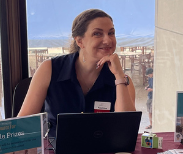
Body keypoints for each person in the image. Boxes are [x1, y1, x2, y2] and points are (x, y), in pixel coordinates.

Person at [18, 9, 136, 141]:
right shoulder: (49, 68)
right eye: (97, 34)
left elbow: (126, 132)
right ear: (80, 41)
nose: (108, 40)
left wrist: (119, 76)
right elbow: (22, 125)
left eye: (111, 33)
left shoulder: (122, 80)